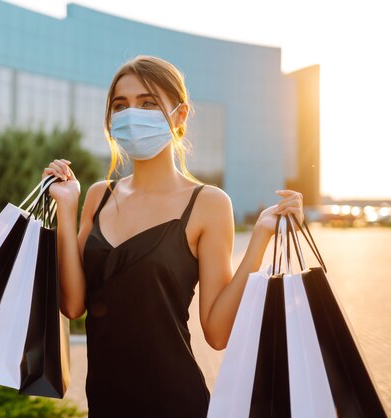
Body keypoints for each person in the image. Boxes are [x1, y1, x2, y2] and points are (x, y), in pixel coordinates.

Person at [41, 55, 304, 418]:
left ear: (179, 117)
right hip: (104, 404)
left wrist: (259, 239)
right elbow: (73, 306)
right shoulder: (98, 196)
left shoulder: (208, 203)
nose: (132, 114)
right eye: (121, 105)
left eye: (148, 103)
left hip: (176, 402)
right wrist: (66, 211)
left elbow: (217, 332)